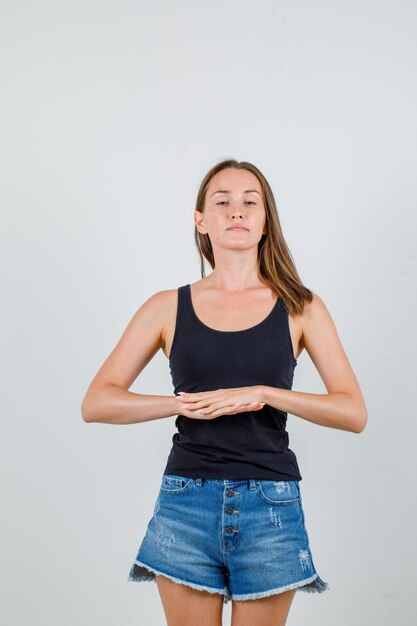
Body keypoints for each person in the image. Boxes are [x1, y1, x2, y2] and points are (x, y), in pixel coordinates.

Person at [81, 159, 368, 626]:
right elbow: (96, 402)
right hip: (185, 504)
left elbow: (353, 412)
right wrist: (182, 404)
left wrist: (264, 392)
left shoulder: (302, 307)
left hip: (270, 507)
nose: (237, 211)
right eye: (223, 202)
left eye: (249, 202)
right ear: (201, 221)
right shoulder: (166, 307)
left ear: (265, 219)